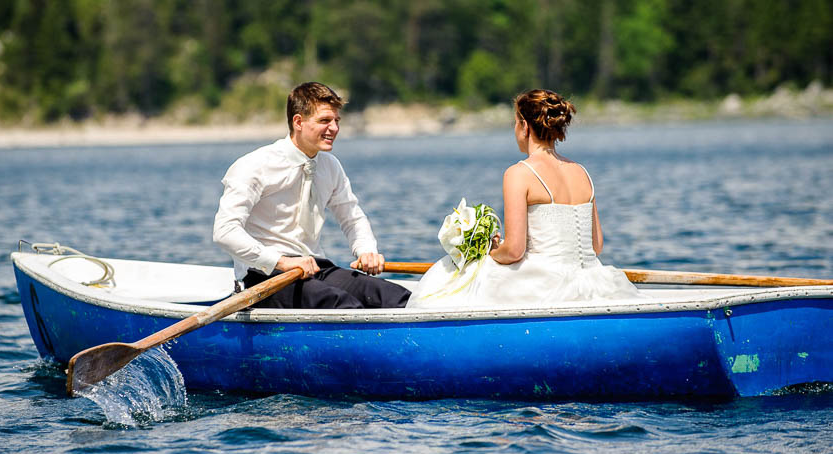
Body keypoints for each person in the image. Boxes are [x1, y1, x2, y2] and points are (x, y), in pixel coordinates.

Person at [407, 89, 640, 307]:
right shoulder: (581, 172)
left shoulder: (519, 174)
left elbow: (515, 251)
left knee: (452, 275)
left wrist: (490, 251)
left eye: (515, 123)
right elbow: (596, 246)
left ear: (525, 126)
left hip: (547, 283)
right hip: (593, 278)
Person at [213, 81, 410, 309]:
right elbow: (225, 232)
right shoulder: (253, 166)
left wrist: (367, 251)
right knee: (341, 304)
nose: (334, 128)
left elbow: (352, 218)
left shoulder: (330, 165)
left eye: (337, 121)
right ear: (298, 122)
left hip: (316, 268)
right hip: (264, 276)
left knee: (394, 296)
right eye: (325, 121)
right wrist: (282, 262)